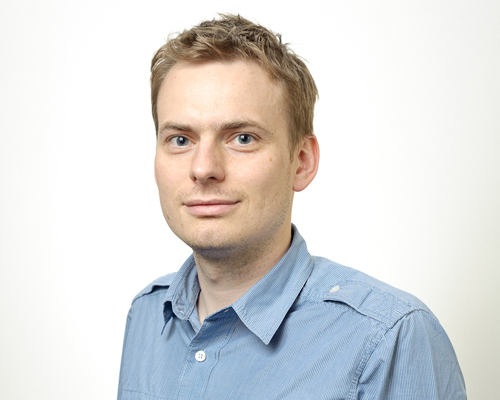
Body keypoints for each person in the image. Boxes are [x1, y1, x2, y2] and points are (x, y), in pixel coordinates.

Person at [118, 14, 466, 400]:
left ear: (301, 161)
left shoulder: (389, 340)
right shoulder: (147, 316)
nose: (203, 169)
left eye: (242, 138)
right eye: (180, 140)